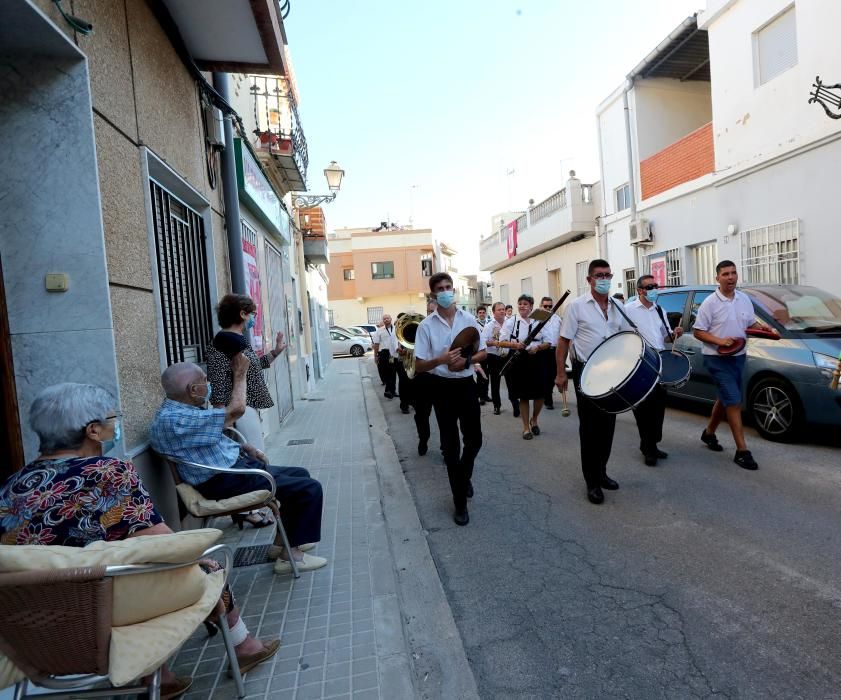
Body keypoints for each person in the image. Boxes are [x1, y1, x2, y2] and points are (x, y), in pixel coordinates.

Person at [0, 383, 280, 697]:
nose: (116, 425)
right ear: (93, 431)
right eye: (112, 418)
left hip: (35, 622)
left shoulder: (13, 485)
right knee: (202, 564)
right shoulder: (110, 471)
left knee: (124, 568)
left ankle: (162, 677)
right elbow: (161, 542)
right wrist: (203, 558)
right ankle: (245, 646)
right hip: (106, 609)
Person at [149, 357, 328, 573]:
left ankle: (283, 543)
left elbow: (207, 439)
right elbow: (235, 410)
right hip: (222, 480)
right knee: (309, 488)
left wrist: (244, 448)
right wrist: (240, 375)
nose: (208, 385)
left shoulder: (179, 411)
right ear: (193, 389)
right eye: (205, 380)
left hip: (231, 471)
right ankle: (291, 558)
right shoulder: (174, 419)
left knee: (301, 473)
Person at [206, 293, 288, 527]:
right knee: (254, 462)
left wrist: (276, 351)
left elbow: (253, 368)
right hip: (237, 411)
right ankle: (248, 511)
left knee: (247, 461)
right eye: (251, 314)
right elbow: (221, 378)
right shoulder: (230, 341)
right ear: (242, 314)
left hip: (237, 410)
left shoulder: (230, 340)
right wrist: (225, 414)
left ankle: (246, 510)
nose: (253, 318)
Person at [555, 259, 633, 505]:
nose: (604, 279)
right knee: (589, 427)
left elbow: (625, 337)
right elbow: (564, 342)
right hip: (585, 370)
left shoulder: (618, 306)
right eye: (599, 275)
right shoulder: (576, 307)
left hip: (612, 373)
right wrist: (560, 373)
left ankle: (602, 472)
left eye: (608, 275)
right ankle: (591, 481)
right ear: (589, 280)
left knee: (608, 424)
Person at [414, 273, 487, 526]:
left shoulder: (469, 320)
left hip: (466, 385)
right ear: (434, 295)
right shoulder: (426, 326)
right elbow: (419, 365)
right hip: (441, 387)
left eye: (448, 287)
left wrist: (467, 361)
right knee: (451, 447)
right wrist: (441, 360)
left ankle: (463, 476)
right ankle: (459, 503)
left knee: (475, 440)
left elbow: (483, 352)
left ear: (453, 290)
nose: (445, 292)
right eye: (440, 289)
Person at [692, 260, 761, 470]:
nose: (730, 277)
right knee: (733, 400)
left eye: (733, 273)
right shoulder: (709, 303)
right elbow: (698, 331)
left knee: (725, 397)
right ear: (717, 278)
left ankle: (709, 433)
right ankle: (742, 451)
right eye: (725, 274)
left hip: (738, 357)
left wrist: (767, 330)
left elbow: (751, 324)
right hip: (716, 359)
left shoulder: (744, 299)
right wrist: (720, 341)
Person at [624, 275, 684, 466]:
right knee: (644, 408)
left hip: (659, 362)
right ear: (639, 290)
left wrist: (674, 334)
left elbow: (665, 338)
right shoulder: (628, 310)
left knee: (659, 406)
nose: (654, 290)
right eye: (649, 287)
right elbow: (622, 336)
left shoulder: (660, 310)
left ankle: (653, 444)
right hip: (640, 363)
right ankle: (648, 447)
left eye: (655, 286)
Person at [500, 295, 552, 439]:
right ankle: (525, 427)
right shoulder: (511, 322)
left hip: (537, 359)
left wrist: (538, 347)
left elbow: (549, 342)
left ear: (531, 306)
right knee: (523, 395)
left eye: (525, 304)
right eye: (520, 304)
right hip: (519, 360)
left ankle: (534, 419)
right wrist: (515, 345)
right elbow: (502, 341)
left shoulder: (540, 318)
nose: (522, 306)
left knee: (540, 394)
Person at [413, 297, 438, 455]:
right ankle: (423, 438)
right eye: (429, 311)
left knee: (446, 416)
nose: (431, 314)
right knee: (421, 414)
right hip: (424, 376)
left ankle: (446, 448)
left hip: (442, 377)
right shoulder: (422, 326)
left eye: (434, 311)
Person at [481, 302, 509, 415]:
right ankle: (497, 405)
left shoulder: (510, 323)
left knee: (511, 381)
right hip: (494, 357)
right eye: (499, 310)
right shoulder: (489, 326)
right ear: (493, 312)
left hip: (507, 356)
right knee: (495, 382)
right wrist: (492, 342)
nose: (502, 311)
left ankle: (515, 403)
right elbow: (483, 342)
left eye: (503, 309)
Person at [538, 296, 562, 409]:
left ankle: (547, 393)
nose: (548, 308)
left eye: (550, 306)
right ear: (541, 306)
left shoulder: (557, 318)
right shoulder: (537, 317)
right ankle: (548, 399)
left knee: (553, 374)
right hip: (543, 350)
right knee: (545, 375)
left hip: (555, 350)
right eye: (545, 306)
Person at [372, 315, 399, 399]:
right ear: (383, 321)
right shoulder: (379, 331)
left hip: (394, 353)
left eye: (388, 318)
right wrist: (375, 356)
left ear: (391, 319)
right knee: (387, 373)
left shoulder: (396, 329)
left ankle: (392, 391)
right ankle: (388, 391)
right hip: (384, 353)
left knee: (393, 372)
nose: (386, 319)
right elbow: (376, 344)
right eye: (384, 319)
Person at [474, 306, 491, 404]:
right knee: (480, 375)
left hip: (489, 352)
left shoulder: (490, 323)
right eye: (480, 312)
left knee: (487, 374)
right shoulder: (474, 324)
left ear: (486, 313)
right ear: (477, 314)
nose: (481, 314)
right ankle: (481, 396)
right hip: (479, 352)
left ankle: (486, 394)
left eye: (483, 312)